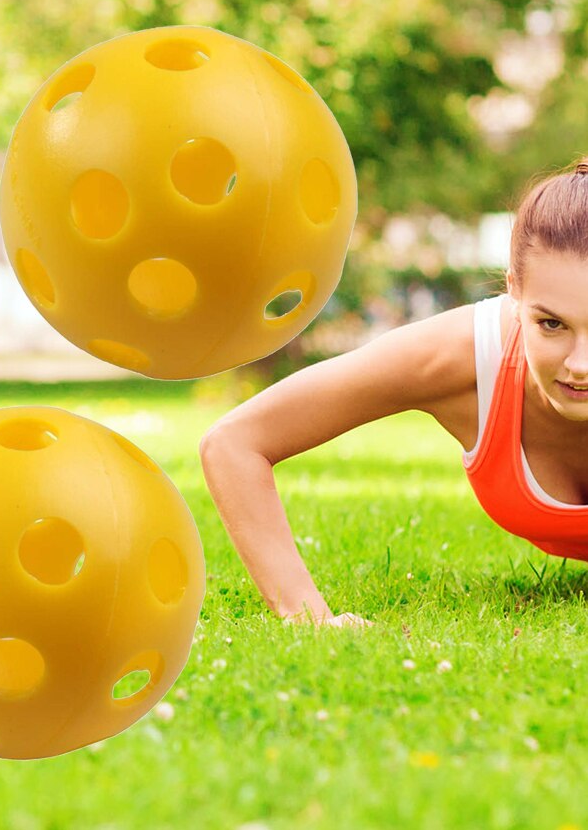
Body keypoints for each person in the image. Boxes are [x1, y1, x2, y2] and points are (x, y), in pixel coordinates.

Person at [199, 160, 588, 627]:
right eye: (552, 324)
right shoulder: (459, 356)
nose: (580, 365)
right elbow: (234, 442)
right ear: (513, 293)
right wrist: (307, 618)